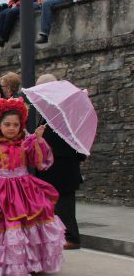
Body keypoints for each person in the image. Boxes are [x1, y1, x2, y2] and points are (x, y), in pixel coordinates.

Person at [0, 97, 65, 276]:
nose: (12, 128)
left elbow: (38, 163)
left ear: (21, 124)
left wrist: (38, 140)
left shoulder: (27, 141)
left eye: (16, 124)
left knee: (27, 225)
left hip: (24, 188)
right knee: (4, 225)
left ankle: (30, 263)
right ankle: (8, 265)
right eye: (7, 124)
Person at [34, 74, 85, 250]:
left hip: (63, 163)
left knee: (65, 203)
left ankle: (72, 237)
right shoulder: (48, 108)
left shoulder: (64, 108)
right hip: (55, 163)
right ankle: (61, 234)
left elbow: (75, 135)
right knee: (57, 202)